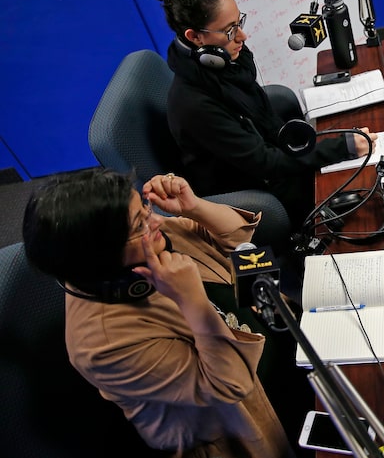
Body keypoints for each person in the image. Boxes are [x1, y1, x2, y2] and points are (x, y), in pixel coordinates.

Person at [22, 168, 302, 458]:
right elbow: (230, 385)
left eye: (145, 208)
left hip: (281, 332)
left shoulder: (147, 238)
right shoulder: (101, 344)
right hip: (249, 418)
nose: (155, 220)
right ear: (101, 256)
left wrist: (194, 207)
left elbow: (238, 237)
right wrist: (191, 299)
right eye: (138, 223)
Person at [140, 0, 378, 229]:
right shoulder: (195, 106)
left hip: (271, 150)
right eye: (230, 30)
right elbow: (264, 163)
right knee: (365, 205)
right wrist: (343, 147)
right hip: (254, 191)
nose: (242, 36)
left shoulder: (224, 56)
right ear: (195, 37)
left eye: (239, 22)